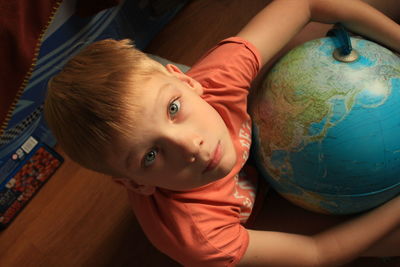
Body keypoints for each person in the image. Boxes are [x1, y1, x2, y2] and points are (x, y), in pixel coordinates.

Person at [44, 0, 400, 266]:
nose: (191, 147)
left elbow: (304, 4)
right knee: (388, 243)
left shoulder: (215, 80)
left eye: (173, 110)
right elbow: (319, 253)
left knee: (320, 31)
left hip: (225, 105)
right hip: (246, 209)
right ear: (138, 184)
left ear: (187, 83)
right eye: (150, 155)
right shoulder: (200, 236)